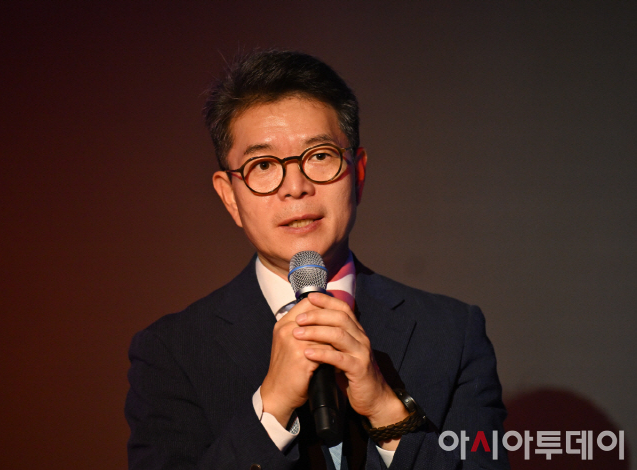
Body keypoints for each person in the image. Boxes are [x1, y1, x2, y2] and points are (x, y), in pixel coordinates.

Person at [125, 49, 508, 470]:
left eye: (320, 156)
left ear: (357, 173)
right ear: (229, 196)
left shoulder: (452, 333)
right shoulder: (172, 352)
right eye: (263, 164)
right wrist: (271, 408)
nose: (295, 187)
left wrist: (386, 411)